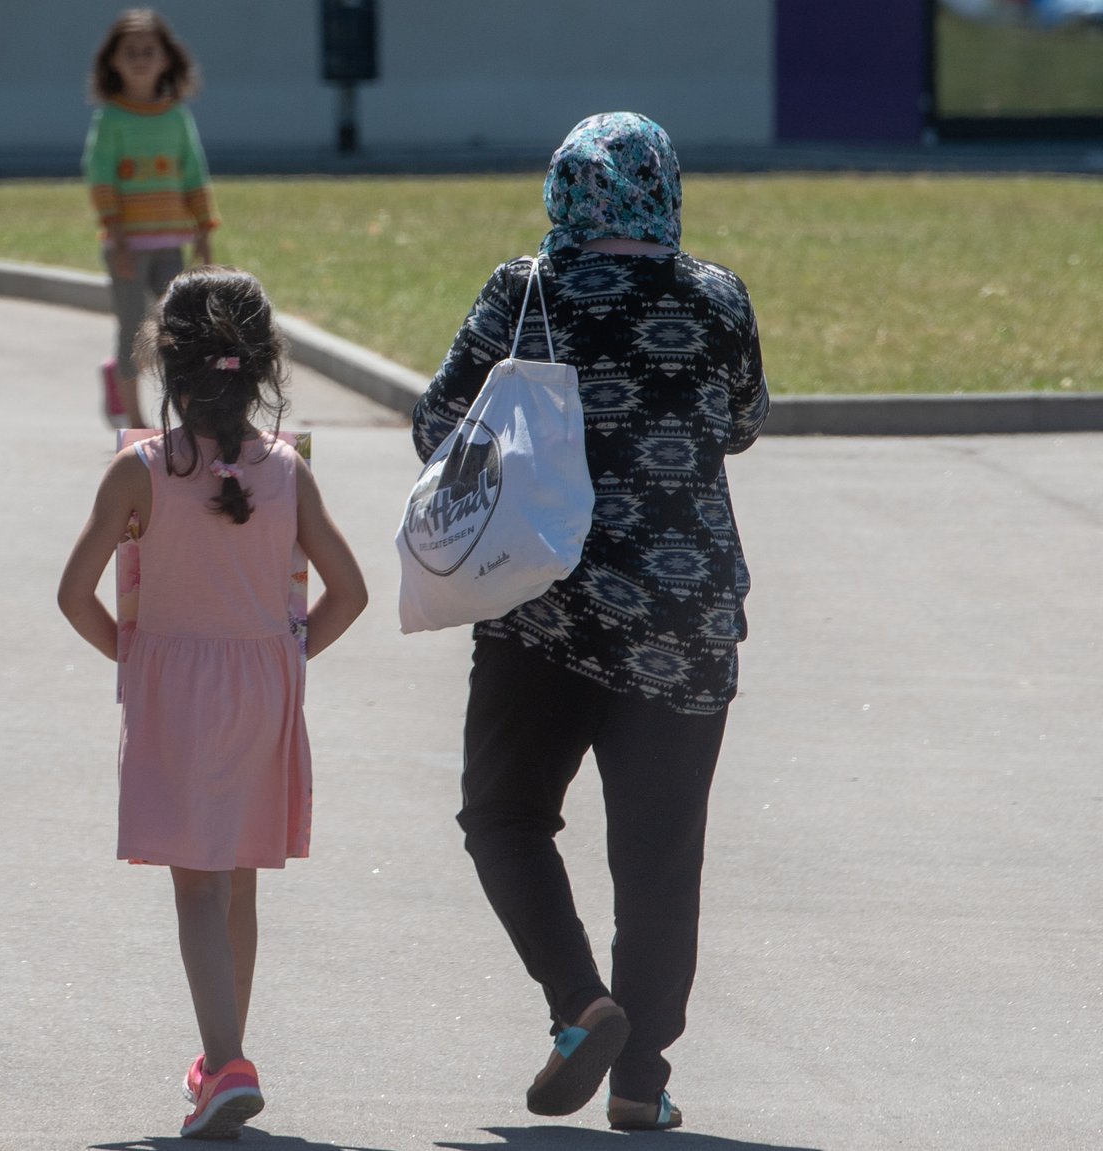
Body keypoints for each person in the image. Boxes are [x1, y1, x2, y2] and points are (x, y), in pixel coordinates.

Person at [414, 113, 770, 1132]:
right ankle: (640, 1077)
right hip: (684, 613)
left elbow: (438, 424)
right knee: (659, 856)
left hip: (544, 607)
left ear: (562, 191)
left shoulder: (522, 291)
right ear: (663, 187)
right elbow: (741, 423)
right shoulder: (716, 298)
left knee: (503, 816)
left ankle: (580, 1005)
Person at [58, 268, 367, 1139]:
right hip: (264, 684)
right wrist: (290, 650)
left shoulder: (140, 470)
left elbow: (74, 593)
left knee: (195, 887)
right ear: (264, 366)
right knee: (238, 882)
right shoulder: (287, 472)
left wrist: (135, 651)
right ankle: (221, 1048)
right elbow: (347, 591)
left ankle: (226, 1063)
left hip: (175, 685)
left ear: (167, 365)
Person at [83, 8, 218, 429]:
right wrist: (118, 238)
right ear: (113, 62)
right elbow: (101, 178)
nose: (140, 58)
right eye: (130, 52)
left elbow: (194, 173)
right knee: (131, 330)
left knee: (177, 331)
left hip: (169, 244)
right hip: (127, 246)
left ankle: (186, 416)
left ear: (166, 59)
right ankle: (137, 423)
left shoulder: (177, 116)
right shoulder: (111, 119)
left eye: (149, 50)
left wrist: (203, 231)